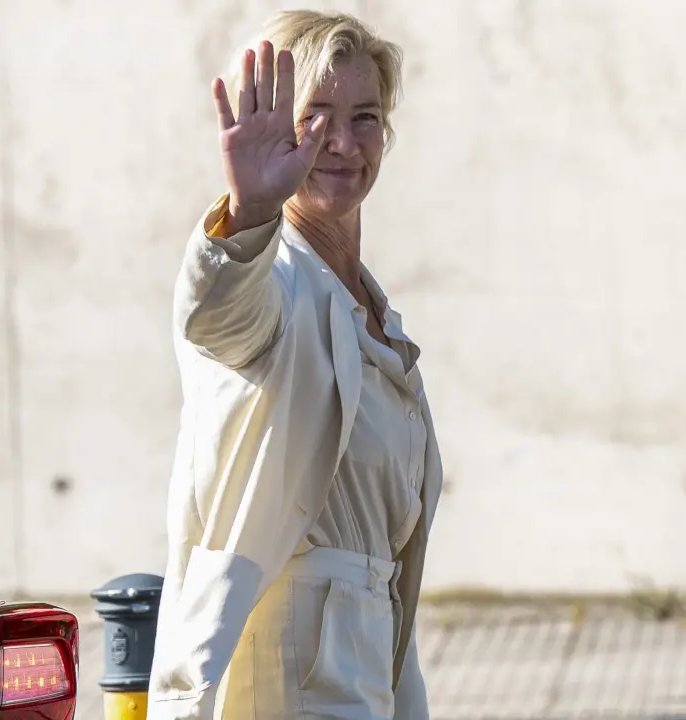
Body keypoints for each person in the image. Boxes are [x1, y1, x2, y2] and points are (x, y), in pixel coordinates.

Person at [147, 10, 442, 720]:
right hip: (288, 678)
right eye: (315, 118)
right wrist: (249, 211)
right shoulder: (273, 280)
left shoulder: (373, 312)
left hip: (367, 673)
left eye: (365, 117)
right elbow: (217, 316)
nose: (342, 143)